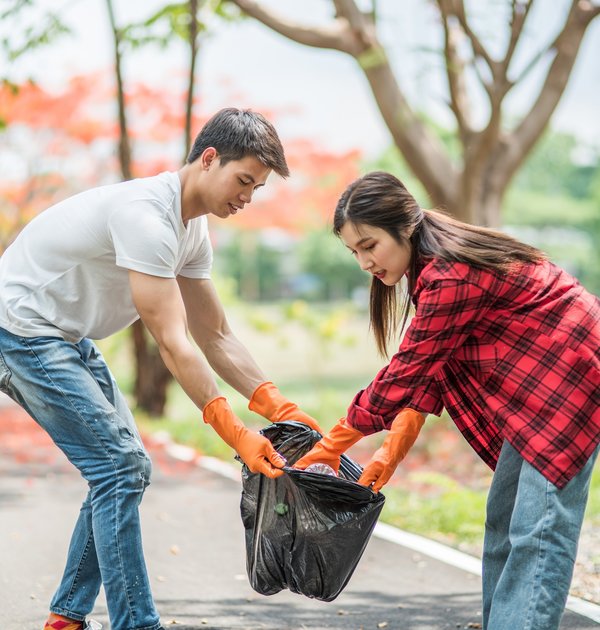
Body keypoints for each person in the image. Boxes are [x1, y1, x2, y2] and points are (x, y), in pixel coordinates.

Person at [0, 107, 321, 630]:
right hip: (22, 331)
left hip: (66, 334)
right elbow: (174, 343)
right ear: (208, 158)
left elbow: (214, 335)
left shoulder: (190, 230)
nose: (246, 196)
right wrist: (233, 430)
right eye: (243, 180)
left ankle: (66, 619)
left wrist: (277, 404)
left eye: (257, 188)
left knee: (122, 469)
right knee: (120, 467)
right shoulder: (146, 216)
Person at [295, 171, 600, 630]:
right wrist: (387, 454)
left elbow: (408, 371)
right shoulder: (433, 268)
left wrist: (332, 445)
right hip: (536, 385)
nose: (363, 263)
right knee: (503, 523)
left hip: (570, 374)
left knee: (538, 529)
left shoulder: (450, 272)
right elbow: (432, 370)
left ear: (404, 227)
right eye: (353, 251)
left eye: (369, 245)